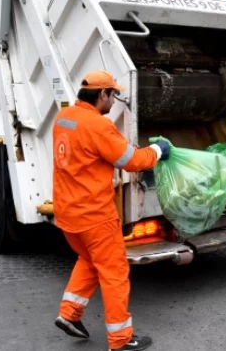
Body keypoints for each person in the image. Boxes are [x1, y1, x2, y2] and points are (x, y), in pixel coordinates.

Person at [52, 70, 169, 351]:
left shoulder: (63, 118)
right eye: (113, 95)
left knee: (89, 260)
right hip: (95, 217)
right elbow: (131, 160)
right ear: (102, 94)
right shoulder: (98, 126)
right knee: (114, 273)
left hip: (67, 213)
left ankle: (69, 314)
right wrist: (157, 150)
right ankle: (121, 339)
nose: (114, 101)